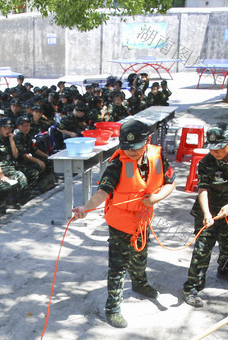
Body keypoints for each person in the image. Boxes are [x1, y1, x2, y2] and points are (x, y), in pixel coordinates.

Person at [71, 119, 176, 329]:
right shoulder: (117, 163)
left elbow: (170, 183)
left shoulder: (157, 157)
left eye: (136, 149)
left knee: (140, 256)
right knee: (118, 267)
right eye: (127, 148)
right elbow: (102, 192)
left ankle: (140, 284)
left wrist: (156, 198)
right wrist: (86, 208)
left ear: (146, 141)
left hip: (143, 220)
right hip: (120, 224)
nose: (131, 153)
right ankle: (113, 308)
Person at [181, 123, 228, 308]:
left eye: (219, 148)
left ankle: (226, 270)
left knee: (227, 240)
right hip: (207, 206)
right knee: (203, 247)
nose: (215, 152)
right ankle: (191, 287)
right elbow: (202, 189)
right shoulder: (206, 163)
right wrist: (206, 214)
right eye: (212, 149)